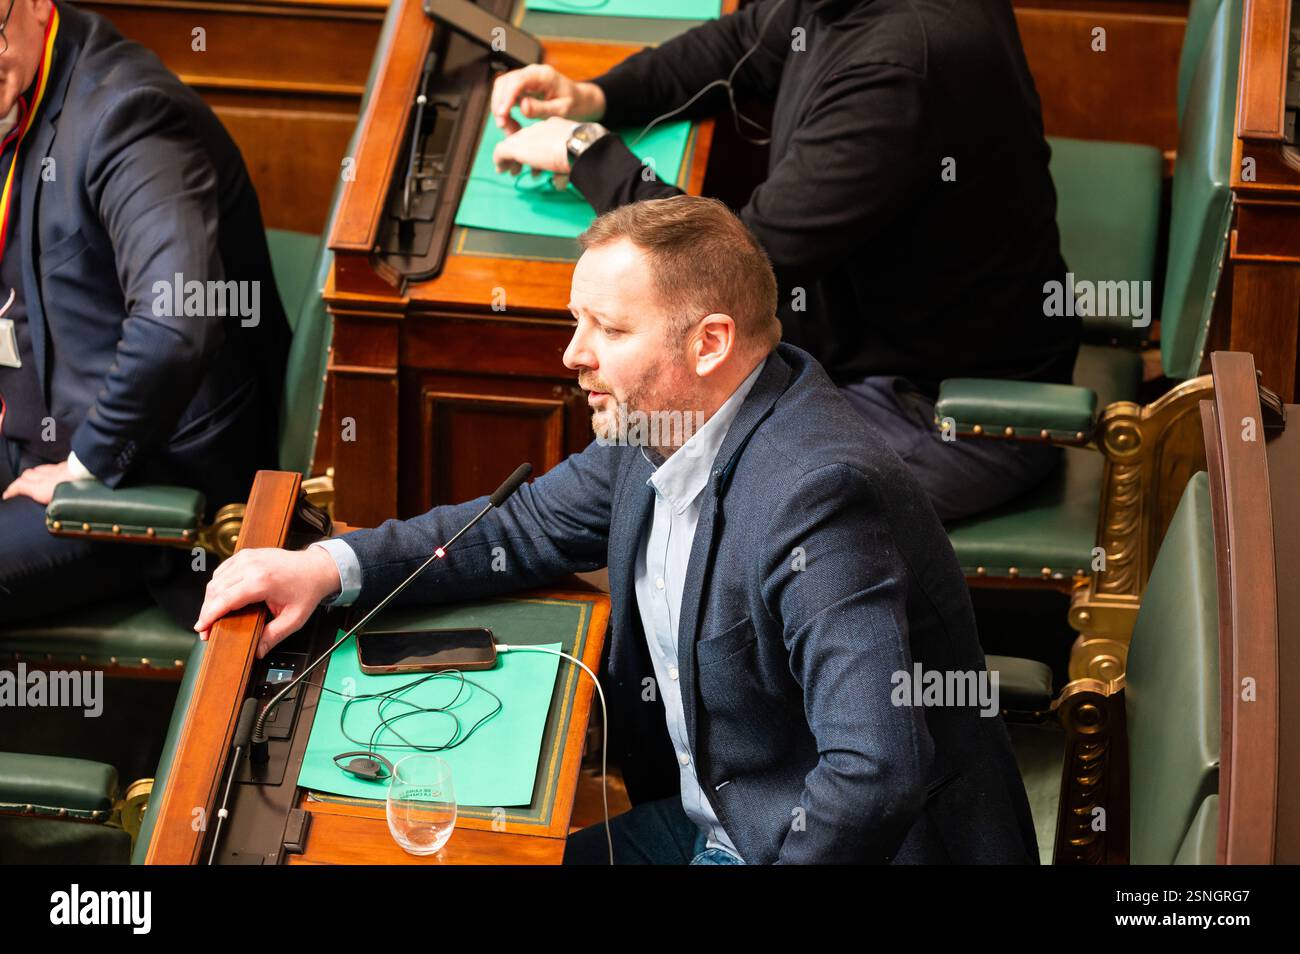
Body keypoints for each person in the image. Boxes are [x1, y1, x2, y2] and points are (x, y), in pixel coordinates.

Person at [195, 196, 1037, 865]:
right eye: (577, 320)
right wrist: (329, 567)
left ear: (710, 342)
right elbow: (519, 526)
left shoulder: (819, 494)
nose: (573, 354)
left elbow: (875, 774)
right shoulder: (658, 421)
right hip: (712, 817)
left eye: (611, 329)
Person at [487, 0, 1080, 521]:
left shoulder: (900, 69)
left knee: (650, 475)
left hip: (942, 411)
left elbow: (735, 263)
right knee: (623, 461)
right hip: (864, 342)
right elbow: (743, 40)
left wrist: (588, 153)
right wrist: (600, 95)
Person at [0, 0, 290, 621]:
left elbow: (175, 324)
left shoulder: (127, 113)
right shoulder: (16, 83)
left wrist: (86, 467)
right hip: (25, 417)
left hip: (137, 475)